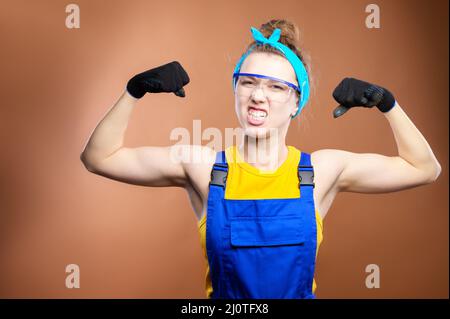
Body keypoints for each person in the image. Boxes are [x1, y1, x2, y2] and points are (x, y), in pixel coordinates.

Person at [80, 19, 442, 299]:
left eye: (275, 86)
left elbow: (423, 168)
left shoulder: (321, 171)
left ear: (296, 101)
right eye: (248, 82)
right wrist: (134, 91)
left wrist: (387, 104)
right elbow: (99, 157)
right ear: (235, 88)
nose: (258, 95)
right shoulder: (202, 168)